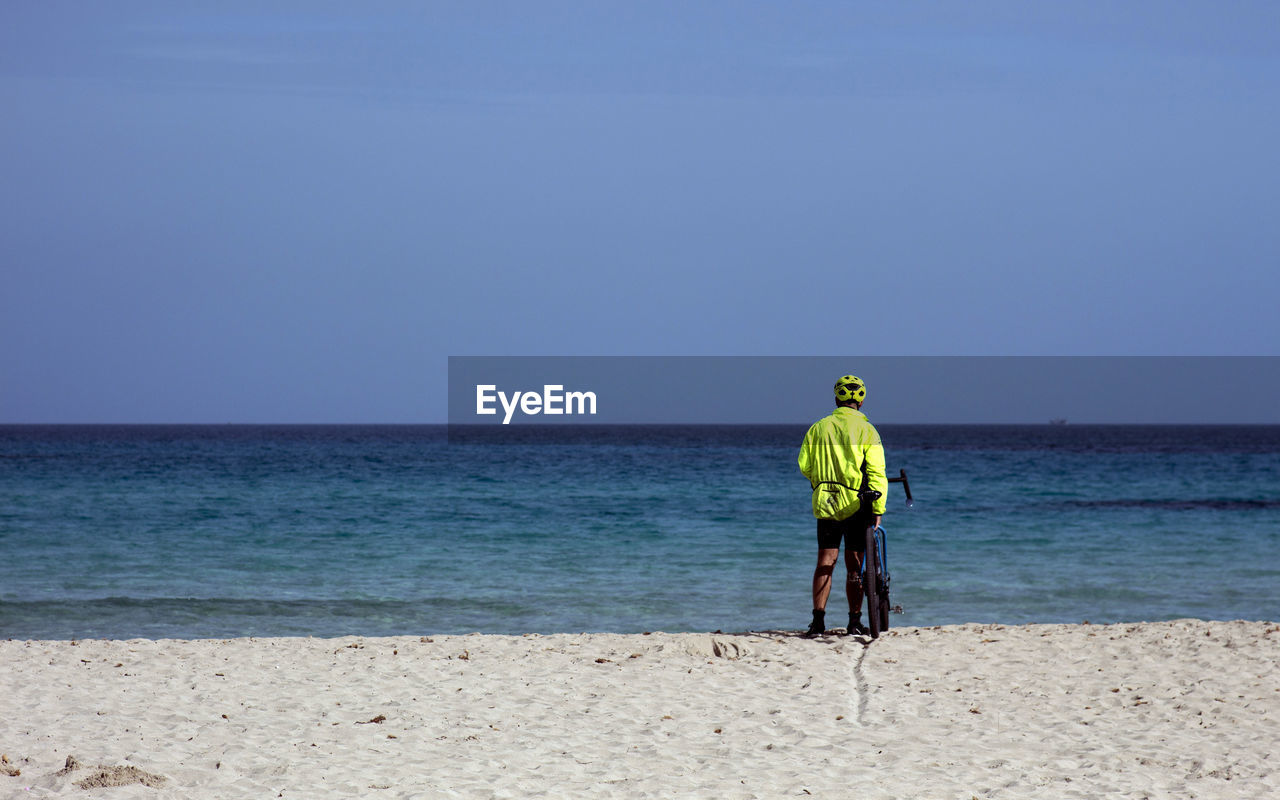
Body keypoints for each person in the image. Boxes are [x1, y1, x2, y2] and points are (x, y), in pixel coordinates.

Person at [797, 374, 888, 637]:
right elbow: (877, 472)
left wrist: (821, 481)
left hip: (826, 500)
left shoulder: (818, 428)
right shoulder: (868, 430)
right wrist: (878, 507)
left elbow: (805, 465)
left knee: (825, 560)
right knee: (854, 562)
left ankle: (817, 621)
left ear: (836, 398)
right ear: (861, 401)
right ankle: (854, 620)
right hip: (857, 504)